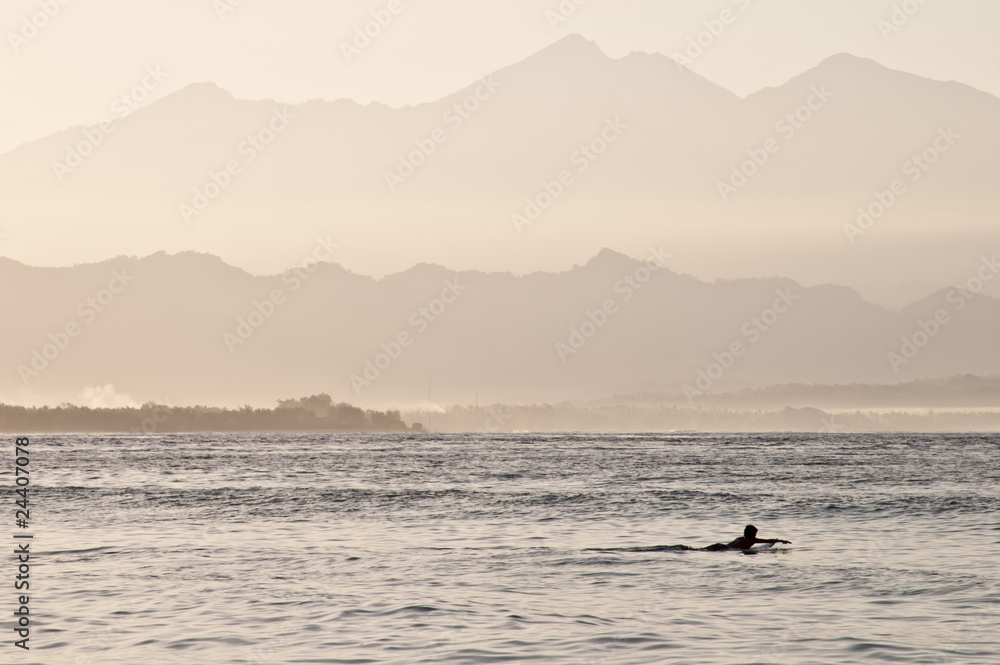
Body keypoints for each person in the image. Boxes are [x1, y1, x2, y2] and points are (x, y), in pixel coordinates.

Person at [702, 525, 791, 551]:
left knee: (700, 549)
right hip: (725, 549)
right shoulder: (751, 539)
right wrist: (781, 541)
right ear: (753, 534)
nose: (756, 536)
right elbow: (767, 540)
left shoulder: (739, 538)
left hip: (721, 546)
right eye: (755, 534)